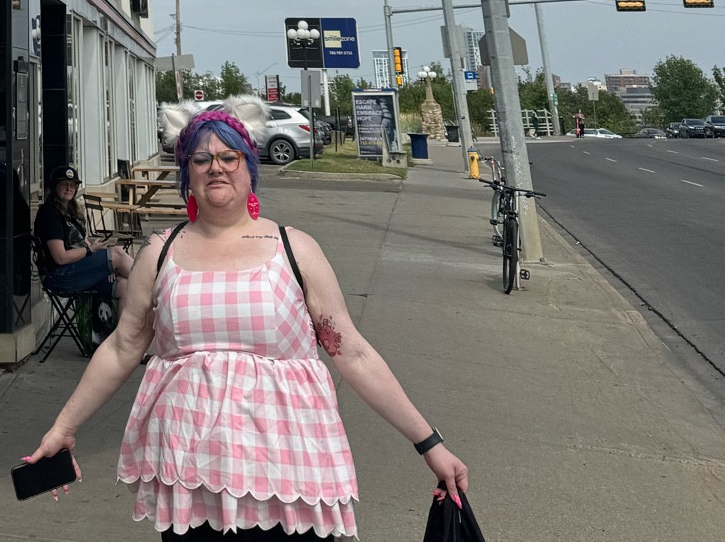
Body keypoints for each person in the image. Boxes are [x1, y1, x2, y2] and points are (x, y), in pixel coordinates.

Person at [24, 107, 469, 536]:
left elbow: (350, 351)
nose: (215, 167)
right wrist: (63, 428)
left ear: (248, 167)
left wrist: (429, 443)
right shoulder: (159, 253)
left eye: (228, 156)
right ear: (187, 174)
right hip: (189, 472)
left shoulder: (295, 249)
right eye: (201, 158)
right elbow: (123, 347)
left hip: (288, 471)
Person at [34, 163, 133, 305]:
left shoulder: (70, 210)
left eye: (72, 185)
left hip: (76, 269)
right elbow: (60, 257)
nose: (69, 189)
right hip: (58, 276)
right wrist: (91, 250)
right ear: (55, 186)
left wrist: (108, 266)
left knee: (124, 286)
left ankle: (125, 328)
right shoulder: (50, 214)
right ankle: (154, 287)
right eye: (64, 184)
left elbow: (84, 242)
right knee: (117, 253)